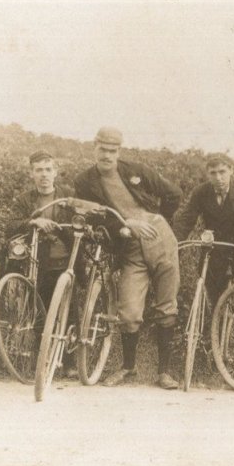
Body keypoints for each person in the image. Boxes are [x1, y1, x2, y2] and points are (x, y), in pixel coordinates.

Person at [74, 127, 183, 389]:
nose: (107, 156)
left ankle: (164, 372)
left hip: (160, 241)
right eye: (103, 149)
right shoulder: (85, 182)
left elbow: (173, 194)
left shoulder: (137, 170)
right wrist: (124, 227)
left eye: (113, 151)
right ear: (94, 147)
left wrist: (157, 221)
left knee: (167, 304)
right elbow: (93, 217)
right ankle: (128, 368)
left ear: (119, 151)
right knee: (130, 311)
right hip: (129, 248)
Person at [5, 149, 76, 376]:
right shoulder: (25, 200)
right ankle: (41, 361)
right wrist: (34, 221)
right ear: (31, 174)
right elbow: (10, 226)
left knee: (69, 310)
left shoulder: (67, 197)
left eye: (48, 170)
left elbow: (81, 220)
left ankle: (71, 362)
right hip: (40, 264)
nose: (44, 175)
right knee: (40, 311)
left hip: (67, 262)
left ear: (55, 172)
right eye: (38, 170)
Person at [173, 153, 234, 302]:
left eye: (222, 172)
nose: (218, 177)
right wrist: (174, 242)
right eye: (213, 173)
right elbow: (186, 220)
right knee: (209, 283)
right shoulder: (201, 192)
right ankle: (215, 319)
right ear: (208, 175)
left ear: (231, 170)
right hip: (216, 247)